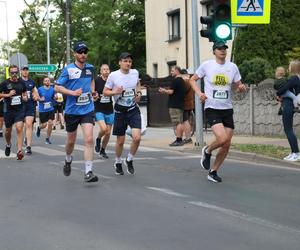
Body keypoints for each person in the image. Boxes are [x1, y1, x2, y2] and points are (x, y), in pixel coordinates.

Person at [189, 41, 247, 183]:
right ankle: (207, 151)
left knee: (226, 144)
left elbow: (238, 84)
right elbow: (192, 80)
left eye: (224, 49)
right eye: (219, 49)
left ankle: (213, 171)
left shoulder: (232, 67)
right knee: (222, 139)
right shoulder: (207, 65)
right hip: (212, 107)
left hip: (227, 108)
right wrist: (199, 93)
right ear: (214, 51)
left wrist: (241, 87)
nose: (223, 51)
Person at [55, 41, 98, 183]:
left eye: (85, 52)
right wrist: (72, 93)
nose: (83, 54)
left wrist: (93, 92)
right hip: (72, 111)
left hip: (87, 109)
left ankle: (88, 171)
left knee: (89, 139)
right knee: (71, 141)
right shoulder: (68, 70)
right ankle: (68, 159)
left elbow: (91, 82)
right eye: (80, 52)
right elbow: (57, 87)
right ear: (74, 54)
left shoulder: (90, 68)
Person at [103, 52, 142, 175]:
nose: (128, 63)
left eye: (130, 61)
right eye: (125, 61)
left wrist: (139, 94)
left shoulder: (135, 72)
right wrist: (115, 92)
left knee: (137, 137)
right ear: (120, 62)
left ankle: (129, 159)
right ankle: (118, 161)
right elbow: (105, 92)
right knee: (120, 141)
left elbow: (138, 84)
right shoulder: (113, 75)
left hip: (133, 109)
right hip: (120, 111)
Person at [0, 65, 28, 160]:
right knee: (8, 131)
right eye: (12, 72)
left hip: (19, 109)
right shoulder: (5, 83)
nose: (14, 74)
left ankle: (19, 151)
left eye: (16, 72)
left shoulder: (22, 83)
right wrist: (8, 94)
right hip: (8, 110)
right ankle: (8, 144)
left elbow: (24, 93)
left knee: (19, 128)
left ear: (18, 72)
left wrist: (25, 97)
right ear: (9, 73)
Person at [276, 60, 300, 162]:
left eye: (289, 66)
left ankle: (296, 153)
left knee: (288, 129)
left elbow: (283, 89)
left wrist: (277, 93)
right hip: (290, 104)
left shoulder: (293, 78)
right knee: (288, 129)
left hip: (288, 105)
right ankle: (293, 152)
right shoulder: (297, 78)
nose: (288, 68)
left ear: (293, 67)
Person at [159, 66, 186, 146]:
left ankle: (178, 140)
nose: (171, 72)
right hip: (180, 104)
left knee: (177, 123)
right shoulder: (181, 80)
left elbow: (171, 92)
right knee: (180, 122)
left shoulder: (176, 80)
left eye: (172, 71)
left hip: (174, 104)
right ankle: (179, 139)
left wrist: (163, 90)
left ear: (177, 71)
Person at [94, 64, 114, 159]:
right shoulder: (97, 80)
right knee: (104, 129)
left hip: (109, 109)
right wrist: (94, 95)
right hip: (99, 108)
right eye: (104, 69)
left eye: (107, 69)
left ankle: (103, 150)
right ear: (101, 71)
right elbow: (92, 91)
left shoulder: (112, 81)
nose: (106, 71)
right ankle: (98, 139)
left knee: (108, 132)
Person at [20, 65, 38, 155]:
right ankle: (26, 137)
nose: (25, 71)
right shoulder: (18, 81)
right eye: (24, 70)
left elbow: (36, 92)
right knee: (20, 126)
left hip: (30, 105)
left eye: (27, 70)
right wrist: (22, 97)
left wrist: (36, 96)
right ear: (21, 71)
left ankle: (28, 147)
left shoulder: (32, 82)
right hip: (20, 106)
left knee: (29, 124)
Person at [36, 77, 55, 144]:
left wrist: (55, 98)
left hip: (50, 109)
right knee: (44, 125)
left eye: (48, 81)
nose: (47, 82)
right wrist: (40, 99)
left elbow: (53, 97)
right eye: (46, 81)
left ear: (50, 82)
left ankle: (47, 138)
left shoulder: (53, 89)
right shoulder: (40, 89)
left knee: (50, 123)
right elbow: (36, 97)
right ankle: (39, 127)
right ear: (43, 82)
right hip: (42, 110)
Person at [181, 68, 194, 144]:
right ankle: (187, 137)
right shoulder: (190, 81)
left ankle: (188, 138)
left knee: (185, 121)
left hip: (185, 104)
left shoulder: (185, 81)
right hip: (190, 103)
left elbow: (182, 92)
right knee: (187, 120)